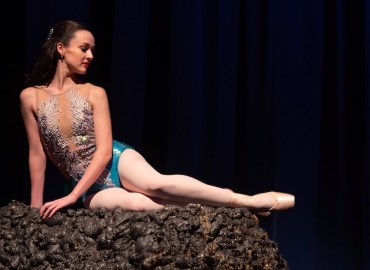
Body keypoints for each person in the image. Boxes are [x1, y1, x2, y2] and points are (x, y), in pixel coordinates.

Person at [20, 20, 295, 220]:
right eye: (84, 48)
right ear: (61, 49)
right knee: (140, 204)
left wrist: (67, 198)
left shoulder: (94, 92)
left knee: (157, 185)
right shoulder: (30, 97)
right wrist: (35, 209)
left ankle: (248, 201)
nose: (90, 55)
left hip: (114, 159)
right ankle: (219, 216)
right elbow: (37, 155)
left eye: (92, 50)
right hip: (85, 185)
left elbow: (103, 151)